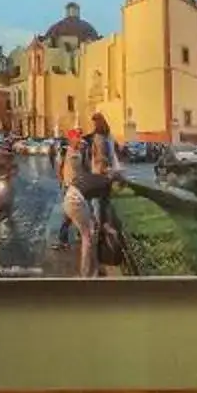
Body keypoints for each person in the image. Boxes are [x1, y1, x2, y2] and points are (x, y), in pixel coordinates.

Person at [67, 112, 122, 277]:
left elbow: (102, 159)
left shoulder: (99, 139)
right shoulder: (105, 137)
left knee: (90, 232)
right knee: (89, 235)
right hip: (75, 199)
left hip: (74, 195)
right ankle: (87, 274)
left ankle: (93, 269)